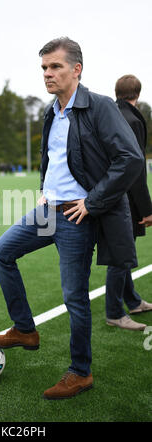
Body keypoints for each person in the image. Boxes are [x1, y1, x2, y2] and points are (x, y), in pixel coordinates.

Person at [0, 37, 144, 400]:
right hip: (48, 211)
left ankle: (80, 372)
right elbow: (53, 158)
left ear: (76, 69)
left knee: (75, 298)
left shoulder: (100, 106)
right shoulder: (51, 110)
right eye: (43, 68)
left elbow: (130, 159)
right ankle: (25, 329)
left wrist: (92, 201)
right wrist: (45, 187)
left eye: (55, 66)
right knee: (0, 253)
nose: (47, 74)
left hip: (76, 217)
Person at [105, 75, 152, 330]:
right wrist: (146, 209)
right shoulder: (132, 120)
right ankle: (114, 312)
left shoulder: (110, 114)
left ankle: (132, 301)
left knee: (122, 253)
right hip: (123, 199)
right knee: (119, 256)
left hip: (108, 194)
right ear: (138, 94)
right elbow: (135, 168)